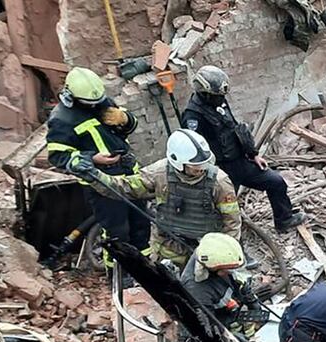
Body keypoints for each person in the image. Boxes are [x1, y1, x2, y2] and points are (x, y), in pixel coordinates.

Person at [81, 129, 241, 270]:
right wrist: (94, 176)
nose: (201, 169)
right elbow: (124, 187)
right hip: (169, 247)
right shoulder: (160, 173)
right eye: (194, 166)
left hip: (206, 249)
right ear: (178, 163)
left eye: (203, 164)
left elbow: (232, 222)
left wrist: (227, 254)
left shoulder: (219, 182)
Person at [183, 66, 305, 232]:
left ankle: (284, 220)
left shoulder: (219, 102)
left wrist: (253, 155)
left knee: (276, 182)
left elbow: (235, 130)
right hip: (220, 171)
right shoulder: (193, 116)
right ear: (205, 93)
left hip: (240, 162)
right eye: (218, 96)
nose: (222, 99)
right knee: (226, 211)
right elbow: (194, 151)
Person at [48, 67, 150, 262]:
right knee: (117, 231)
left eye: (98, 102)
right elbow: (58, 156)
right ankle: (120, 275)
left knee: (141, 225)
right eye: (89, 104)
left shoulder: (101, 103)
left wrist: (126, 119)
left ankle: (145, 269)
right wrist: (92, 158)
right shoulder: (62, 120)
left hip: (129, 175)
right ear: (73, 96)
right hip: (101, 183)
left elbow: (127, 129)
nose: (95, 107)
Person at [179, 233, 268, 339]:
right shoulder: (197, 291)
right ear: (214, 268)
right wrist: (230, 337)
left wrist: (253, 303)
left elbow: (239, 280)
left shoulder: (215, 255)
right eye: (229, 269)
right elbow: (209, 325)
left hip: (229, 309)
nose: (232, 272)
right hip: (220, 318)